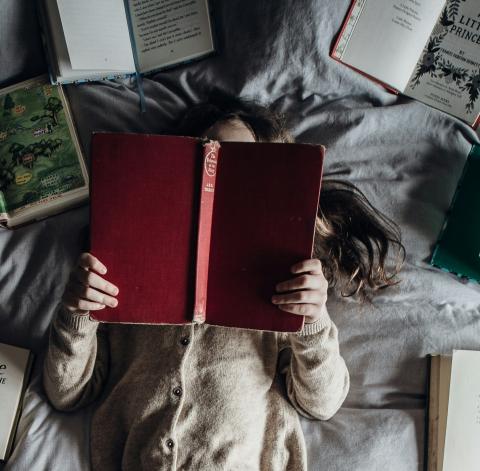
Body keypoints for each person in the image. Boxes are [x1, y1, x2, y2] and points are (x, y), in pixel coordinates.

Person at [43, 92, 404, 471]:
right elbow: (67, 394)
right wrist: (76, 313)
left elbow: (322, 402)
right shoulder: (125, 271)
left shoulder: (281, 280)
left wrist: (311, 319)